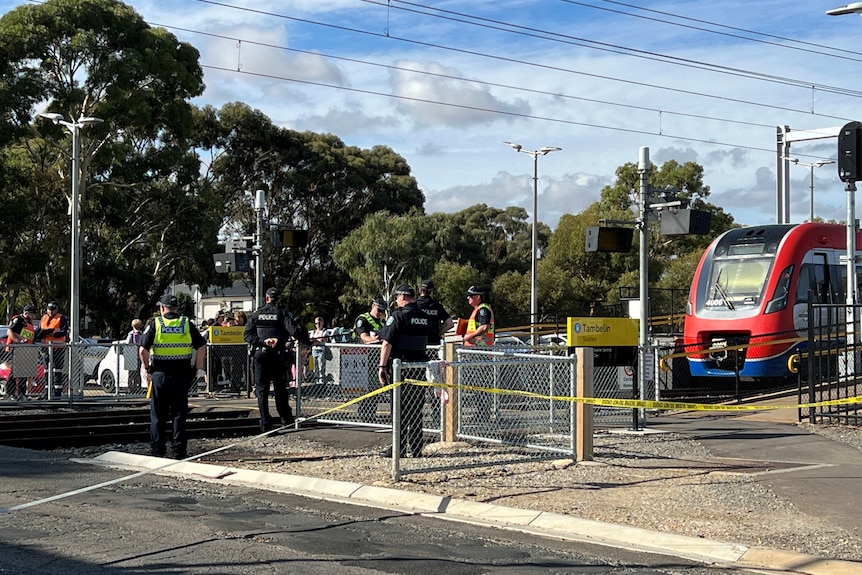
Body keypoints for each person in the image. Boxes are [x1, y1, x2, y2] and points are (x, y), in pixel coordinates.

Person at [138, 295, 206, 459]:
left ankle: (158, 450)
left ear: (162, 308)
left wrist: (147, 368)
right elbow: (202, 346)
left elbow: (142, 350)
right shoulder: (186, 324)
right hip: (182, 373)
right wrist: (196, 368)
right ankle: (179, 451)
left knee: (158, 415)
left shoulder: (156, 324)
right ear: (176, 308)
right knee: (179, 413)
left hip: (160, 373)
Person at [244, 287, 311, 432]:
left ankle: (265, 425)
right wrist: (309, 342)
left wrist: (263, 341)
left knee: (262, 392)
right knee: (280, 390)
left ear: (266, 298)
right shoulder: (282, 312)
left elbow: (247, 335)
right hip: (278, 356)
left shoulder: (256, 314)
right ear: (278, 299)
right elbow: (294, 331)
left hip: (260, 356)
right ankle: (286, 421)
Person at [378, 284, 430, 458]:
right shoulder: (424, 317)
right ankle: (416, 449)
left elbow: (386, 343)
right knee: (416, 409)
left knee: (399, 409)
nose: (395, 300)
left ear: (402, 297)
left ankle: (398, 449)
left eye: (396, 297)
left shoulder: (398, 316)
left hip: (401, 368)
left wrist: (382, 367)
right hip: (419, 368)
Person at [355, 297, 387, 421]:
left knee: (375, 387)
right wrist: (378, 340)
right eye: (378, 310)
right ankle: (364, 413)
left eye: (382, 311)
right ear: (373, 306)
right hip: (363, 358)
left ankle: (371, 412)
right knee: (365, 388)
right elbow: (364, 338)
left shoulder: (382, 322)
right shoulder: (363, 319)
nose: (380, 313)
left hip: (376, 359)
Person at [5, 304, 39, 399]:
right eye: (32, 314)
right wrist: (18, 341)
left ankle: (21, 393)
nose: (33, 317)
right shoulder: (19, 320)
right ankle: (11, 393)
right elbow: (10, 331)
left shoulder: (29, 323)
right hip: (16, 348)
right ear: (26, 313)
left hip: (26, 350)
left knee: (23, 372)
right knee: (14, 372)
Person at [40, 301, 69, 396]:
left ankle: (57, 393)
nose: (50, 312)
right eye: (49, 309)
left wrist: (52, 333)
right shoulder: (44, 318)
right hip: (46, 348)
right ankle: (47, 392)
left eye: (53, 310)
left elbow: (63, 331)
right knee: (47, 370)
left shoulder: (61, 318)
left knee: (57, 370)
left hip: (58, 348)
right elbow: (39, 330)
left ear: (56, 309)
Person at [416, 279, 454, 346]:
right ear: (431, 292)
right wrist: (438, 333)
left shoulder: (414, 306)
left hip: (417, 343)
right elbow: (450, 323)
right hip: (433, 343)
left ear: (420, 290)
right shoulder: (437, 307)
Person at [124, 319, 145, 389]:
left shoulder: (131, 334)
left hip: (131, 356)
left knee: (131, 373)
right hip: (138, 356)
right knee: (137, 373)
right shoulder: (141, 334)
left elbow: (127, 344)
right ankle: (137, 387)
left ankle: (131, 388)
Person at [310, 316, 329, 384]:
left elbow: (322, 339)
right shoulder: (313, 332)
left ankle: (321, 382)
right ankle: (316, 381)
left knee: (321, 367)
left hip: (321, 350)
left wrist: (316, 341)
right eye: (316, 323)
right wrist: (316, 341)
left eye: (319, 323)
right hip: (314, 350)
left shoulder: (324, 331)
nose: (317, 325)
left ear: (322, 323)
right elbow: (311, 340)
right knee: (314, 367)